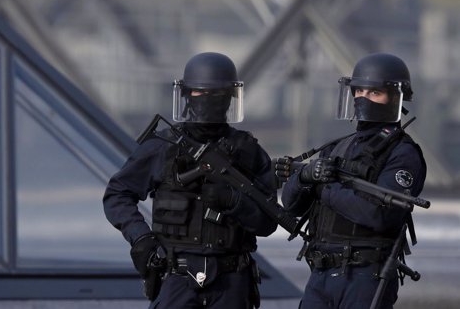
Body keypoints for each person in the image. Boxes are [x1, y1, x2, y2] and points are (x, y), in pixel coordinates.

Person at [103, 52, 277, 308]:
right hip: (177, 278)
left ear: (230, 98)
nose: (208, 100)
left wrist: (234, 201)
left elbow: (268, 223)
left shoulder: (248, 152)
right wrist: (141, 238)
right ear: (186, 96)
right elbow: (117, 194)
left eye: (217, 95)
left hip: (232, 281)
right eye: (199, 92)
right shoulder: (163, 146)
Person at [278, 52, 426, 309]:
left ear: (395, 97)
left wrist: (324, 190)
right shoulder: (337, 147)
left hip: (365, 276)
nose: (363, 99)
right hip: (321, 274)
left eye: (374, 93)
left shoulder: (402, 153)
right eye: (359, 91)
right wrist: (303, 177)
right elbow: (291, 207)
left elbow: (379, 215)